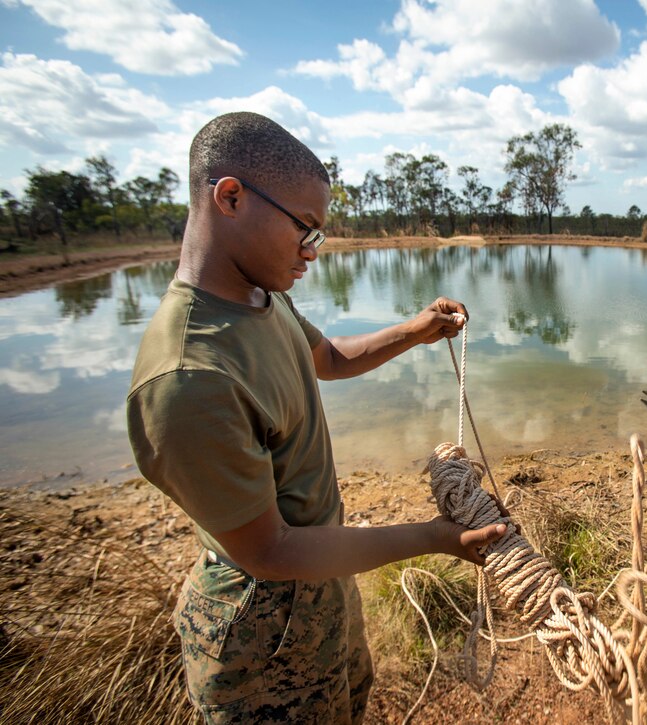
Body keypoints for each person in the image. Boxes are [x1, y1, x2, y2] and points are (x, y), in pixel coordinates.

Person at [126, 111, 507, 723]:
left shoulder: (262, 296)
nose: (313, 253)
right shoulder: (190, 377)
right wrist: (434, 538)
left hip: (324, 589)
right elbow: (270, 551)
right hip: (260, 640)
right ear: (231, 197)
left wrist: (417, 329)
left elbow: (327, 358)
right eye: (305, 230)